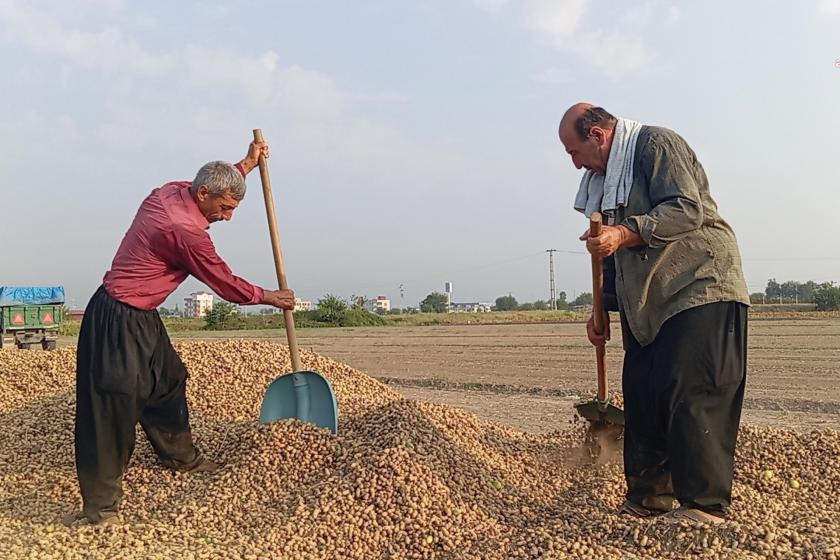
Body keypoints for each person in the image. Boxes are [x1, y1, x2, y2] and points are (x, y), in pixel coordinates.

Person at [62, 141, 295, 526]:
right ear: (203, 195)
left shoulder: (171, 190)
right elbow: (223, 282)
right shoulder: (182, 230)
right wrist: (271, 296)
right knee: (112, 406)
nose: (228, 217)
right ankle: (101, 509)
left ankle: (179, 456)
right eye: (225, 208)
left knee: (168, 381)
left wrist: (247, 164)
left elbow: (218, 183)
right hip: (115, 317)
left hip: (144, 315)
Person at [558, 103, 750, 525]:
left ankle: (703, 506)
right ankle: (648, 500)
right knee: (643, 392)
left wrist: (623, 232)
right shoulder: (604, 186)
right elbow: (611, 254)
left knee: (690, 388)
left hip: (698, 283)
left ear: (597, 136)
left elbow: (687, 208)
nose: (575, 165)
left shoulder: (656, 145)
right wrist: (602, 309)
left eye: (574, 153)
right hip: (648, 299)